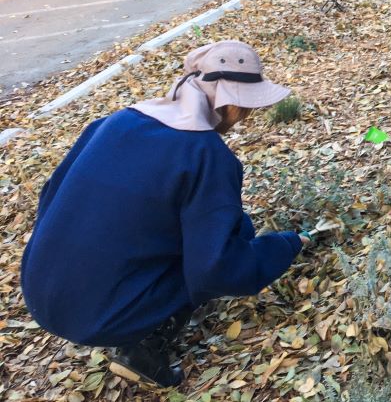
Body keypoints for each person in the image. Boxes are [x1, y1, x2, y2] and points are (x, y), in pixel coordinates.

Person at [21, 41, 310, 387]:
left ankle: (119, 310)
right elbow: (216, 270)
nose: (247, 116)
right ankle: (143, 348)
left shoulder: (118, 120)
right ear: (230, 102)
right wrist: (285, 245)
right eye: (247, 106)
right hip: (94, 318)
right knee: (208, 257)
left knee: (228, 227)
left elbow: (50, 196)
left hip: (39, 288)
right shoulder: (206, 156)